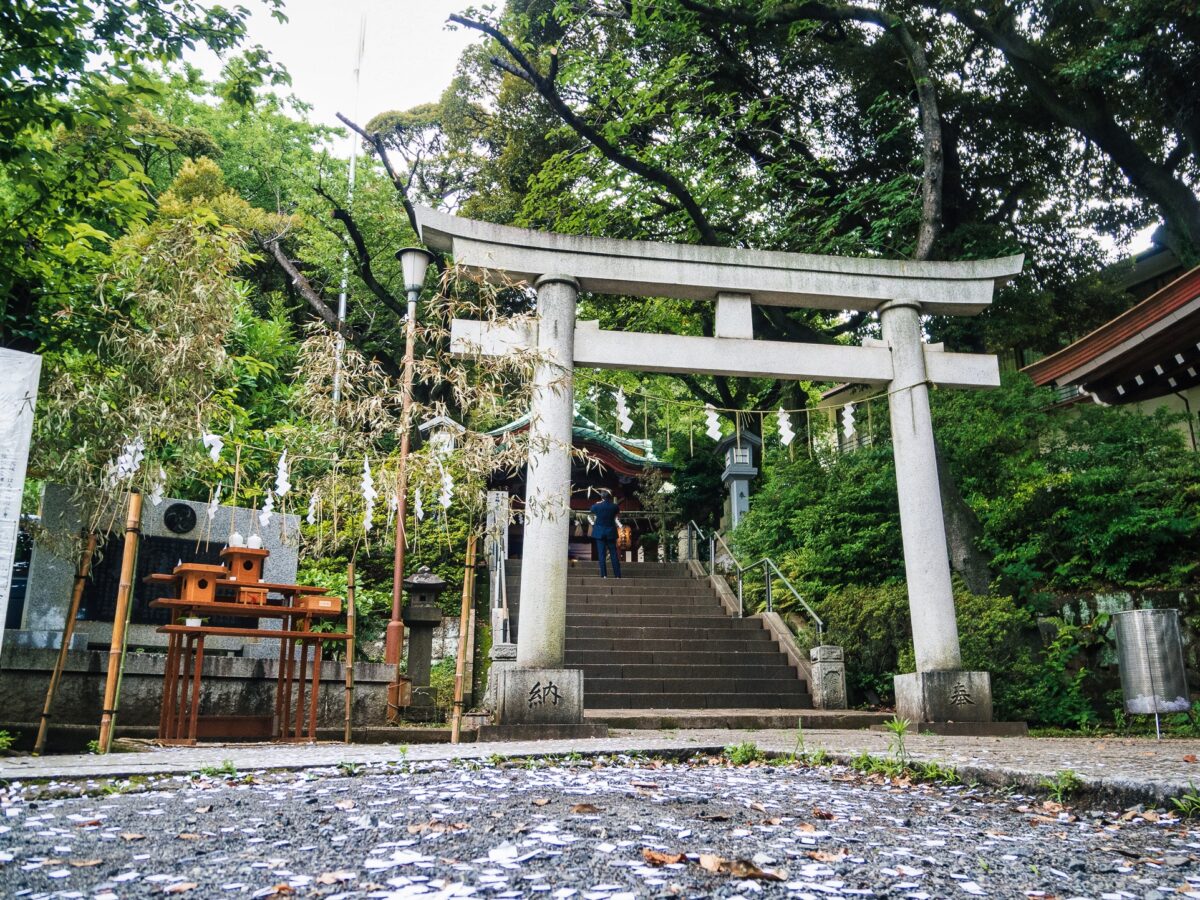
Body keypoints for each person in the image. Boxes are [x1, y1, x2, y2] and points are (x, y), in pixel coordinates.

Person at [589, 489, 622, 578]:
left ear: (602, 497)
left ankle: (604, 575)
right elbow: (617, 512)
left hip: (599, 532)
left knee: (601, 554)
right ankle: (617, 575)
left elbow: (591, 509)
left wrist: (598, 503)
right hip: (611, 532)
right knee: (614, 554)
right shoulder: (614, 506)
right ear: (610, 497)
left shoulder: (597, 506)